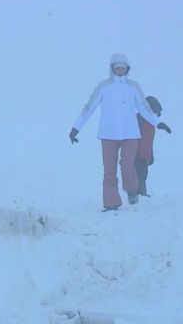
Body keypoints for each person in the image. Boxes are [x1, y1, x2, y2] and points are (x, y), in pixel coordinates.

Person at [69, 53, 170, 211]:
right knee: (109, 170)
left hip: (130, 134)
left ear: (127, 69)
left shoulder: (133, 87)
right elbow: (89, 108)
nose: (120, 70)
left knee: (128, 166)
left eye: (123, 68)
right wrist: (76, 128)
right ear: (112, 69)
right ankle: (111, 203)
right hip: (108, 135)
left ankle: (132, 191)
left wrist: (158, 123)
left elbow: (144, 108)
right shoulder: (103, 87)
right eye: (117, 68)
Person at [135, 96, 172, 197]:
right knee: (140, 174)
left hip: (144, 154)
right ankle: (139, 194)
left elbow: (149, 141)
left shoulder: (151, 124)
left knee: (143, 173)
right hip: (136, 153)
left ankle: (140, 194)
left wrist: (150, 154)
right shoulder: (139, 119)